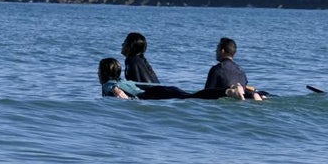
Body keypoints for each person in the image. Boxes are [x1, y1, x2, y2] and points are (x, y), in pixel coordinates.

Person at [98, 58, 230, 100]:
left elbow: (117, 91)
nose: (97, 73)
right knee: (193, 96)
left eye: (98, 70)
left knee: (193, 97)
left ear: (103, 72)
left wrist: (130, 103)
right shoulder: (124, 82)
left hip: (152, 95)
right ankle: (229, 91)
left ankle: (228, 92)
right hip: (158, 91)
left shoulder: (108, 84)